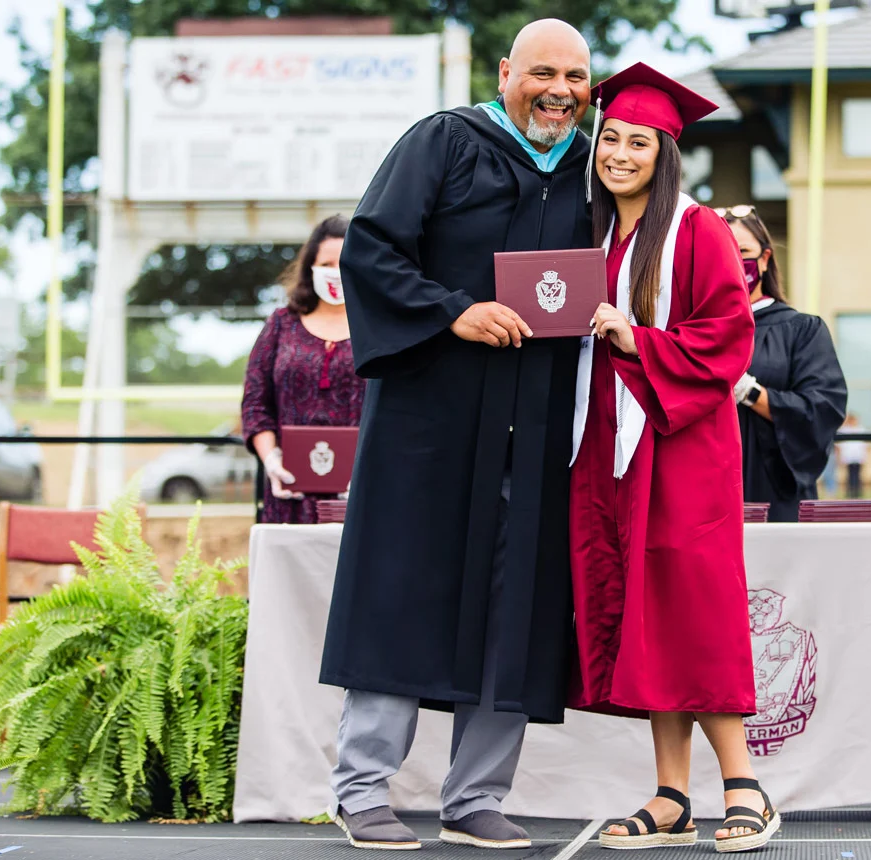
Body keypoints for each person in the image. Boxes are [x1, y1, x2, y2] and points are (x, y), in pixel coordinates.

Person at [318, 20, 593, 851]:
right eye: (542, 72)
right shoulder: (445, 140)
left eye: (576, 77)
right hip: (431, 424)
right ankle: (362, 788)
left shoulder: (591, 165)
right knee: (400, 593)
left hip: (537, 427)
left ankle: (475, 795)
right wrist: (453, 312)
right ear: (506, 71)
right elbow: (372, 250)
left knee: (515, 610)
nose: (559, 90)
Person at [568, 63, 779, 854]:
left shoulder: (694, 230)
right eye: (610, 138)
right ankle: (669, 795)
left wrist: (636, 339)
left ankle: (745, 785)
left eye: (637, 142)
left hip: (682, 448)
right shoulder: (592, 234)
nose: (619, 153)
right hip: (609, 453)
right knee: (647, 617)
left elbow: (729, 335)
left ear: (665, 153)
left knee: (695, 609)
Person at [721, 206, 847, 522]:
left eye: (744, 252)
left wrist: (750, 392)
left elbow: (822, 407)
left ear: (764, 259)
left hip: (775, 492)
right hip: (708, 492)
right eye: (723, 252)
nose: (734, 261)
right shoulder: (691, 330)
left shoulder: (801, 330)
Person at [242, 215, 363, 524]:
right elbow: (255, 404)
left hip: (363, 493)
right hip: (289, 495)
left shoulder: (378, 328)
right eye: (326, 264)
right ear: (310, 268)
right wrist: (271, 458)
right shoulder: (281, 324)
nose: (335, 273)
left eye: (344, 263)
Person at [838, 412, 868, 499]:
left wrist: (865, 457)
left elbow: (865, 445)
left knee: (857, 475)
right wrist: (840, 457)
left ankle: (857, 492)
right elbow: (840, 446)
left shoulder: (861, 429)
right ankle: (850, 492)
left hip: (858, 456)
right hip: (848, 457)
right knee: (850, 475)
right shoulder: (844, 430)